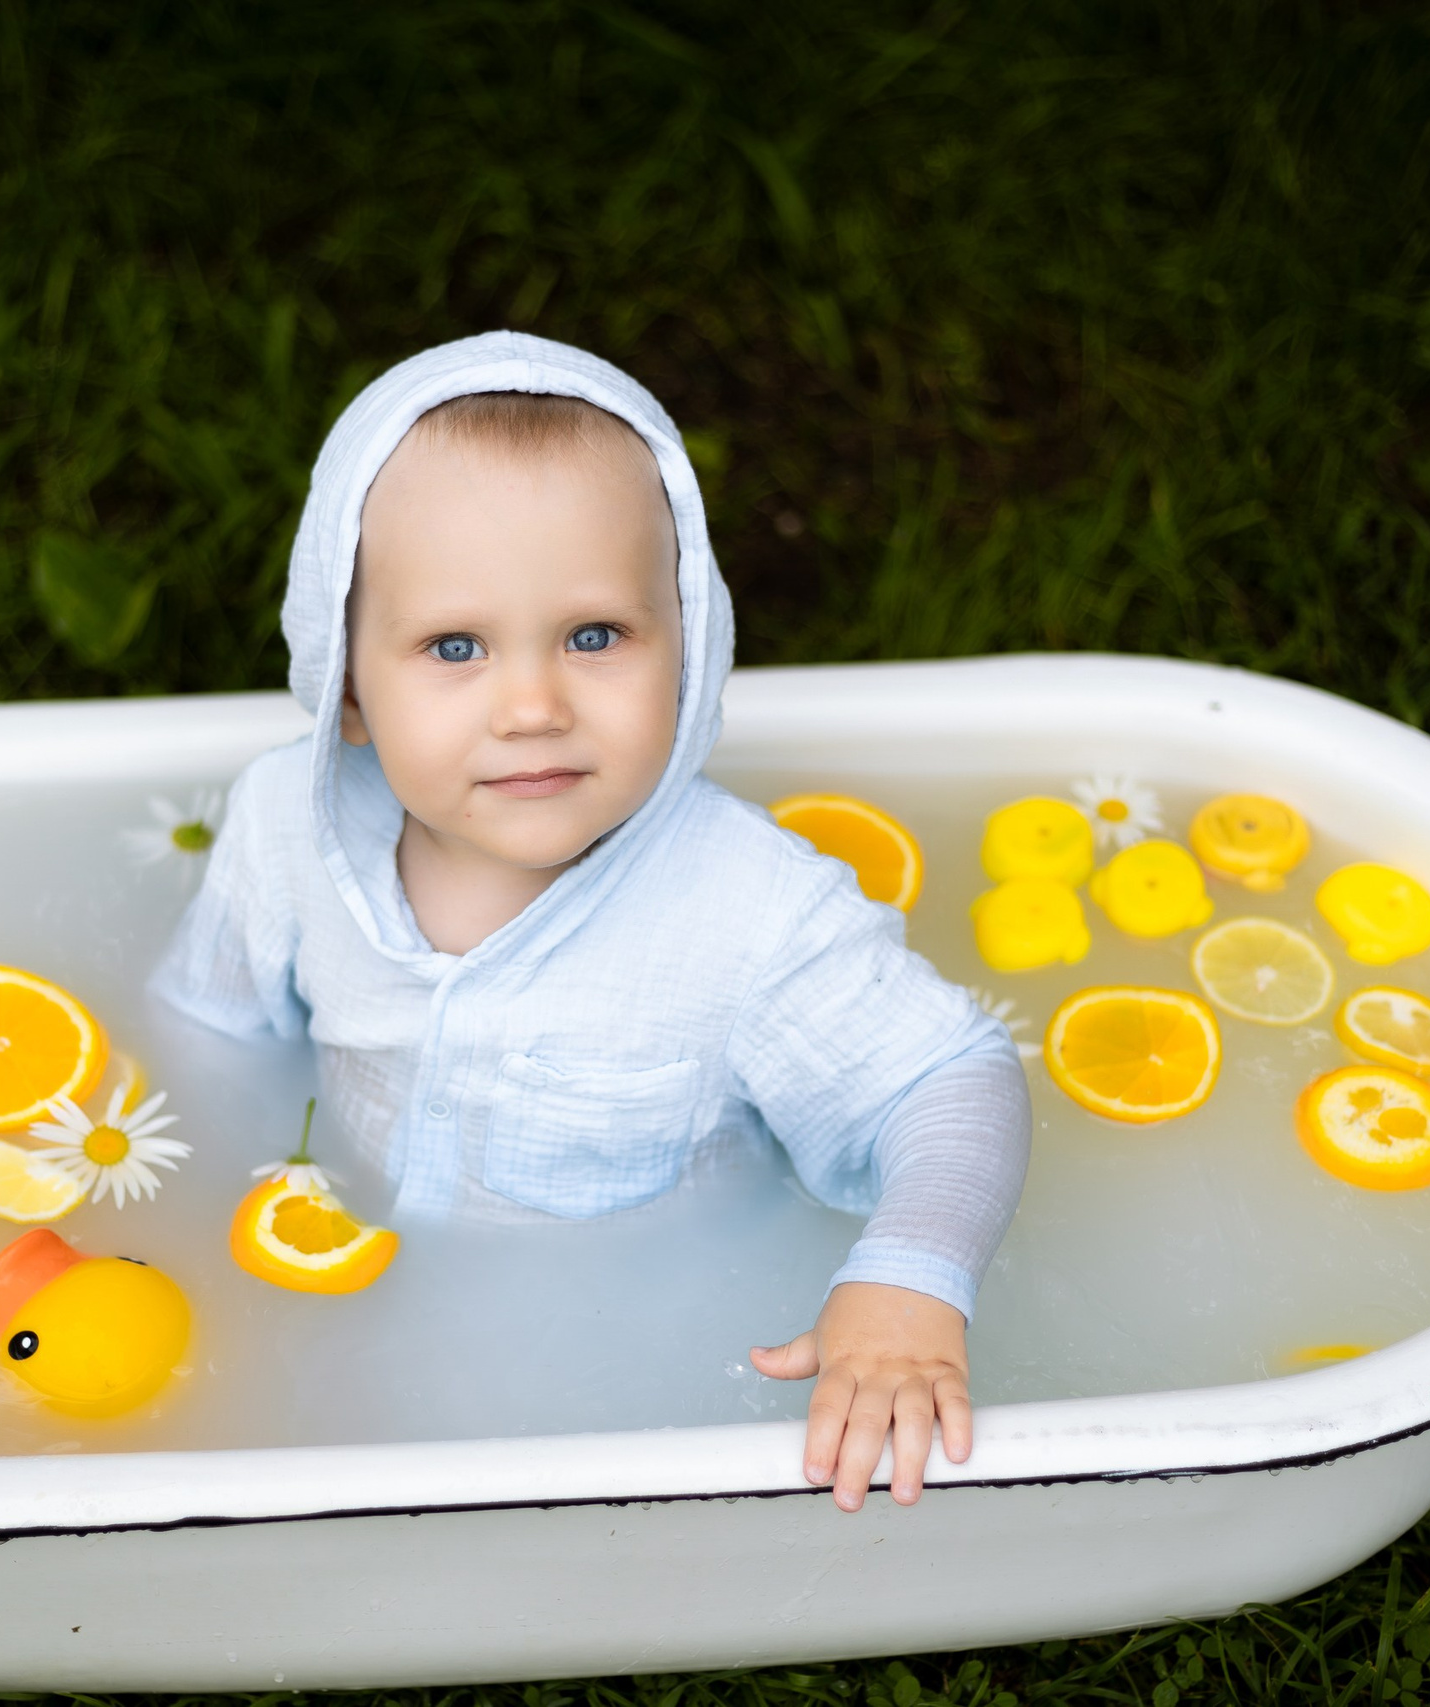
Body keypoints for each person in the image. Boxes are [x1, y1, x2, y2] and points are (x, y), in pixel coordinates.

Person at [151, 332, 1029, 1509]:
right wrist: (198, 1201)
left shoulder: (748, 907)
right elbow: (208, 1028)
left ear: (689, 647)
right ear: (349, 688)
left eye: (595, 636)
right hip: (346, 1281)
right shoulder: (280, 826)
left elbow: (949, 1080)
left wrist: (906, 1279)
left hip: (654, 1326)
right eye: (454, 647)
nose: (531, 706)